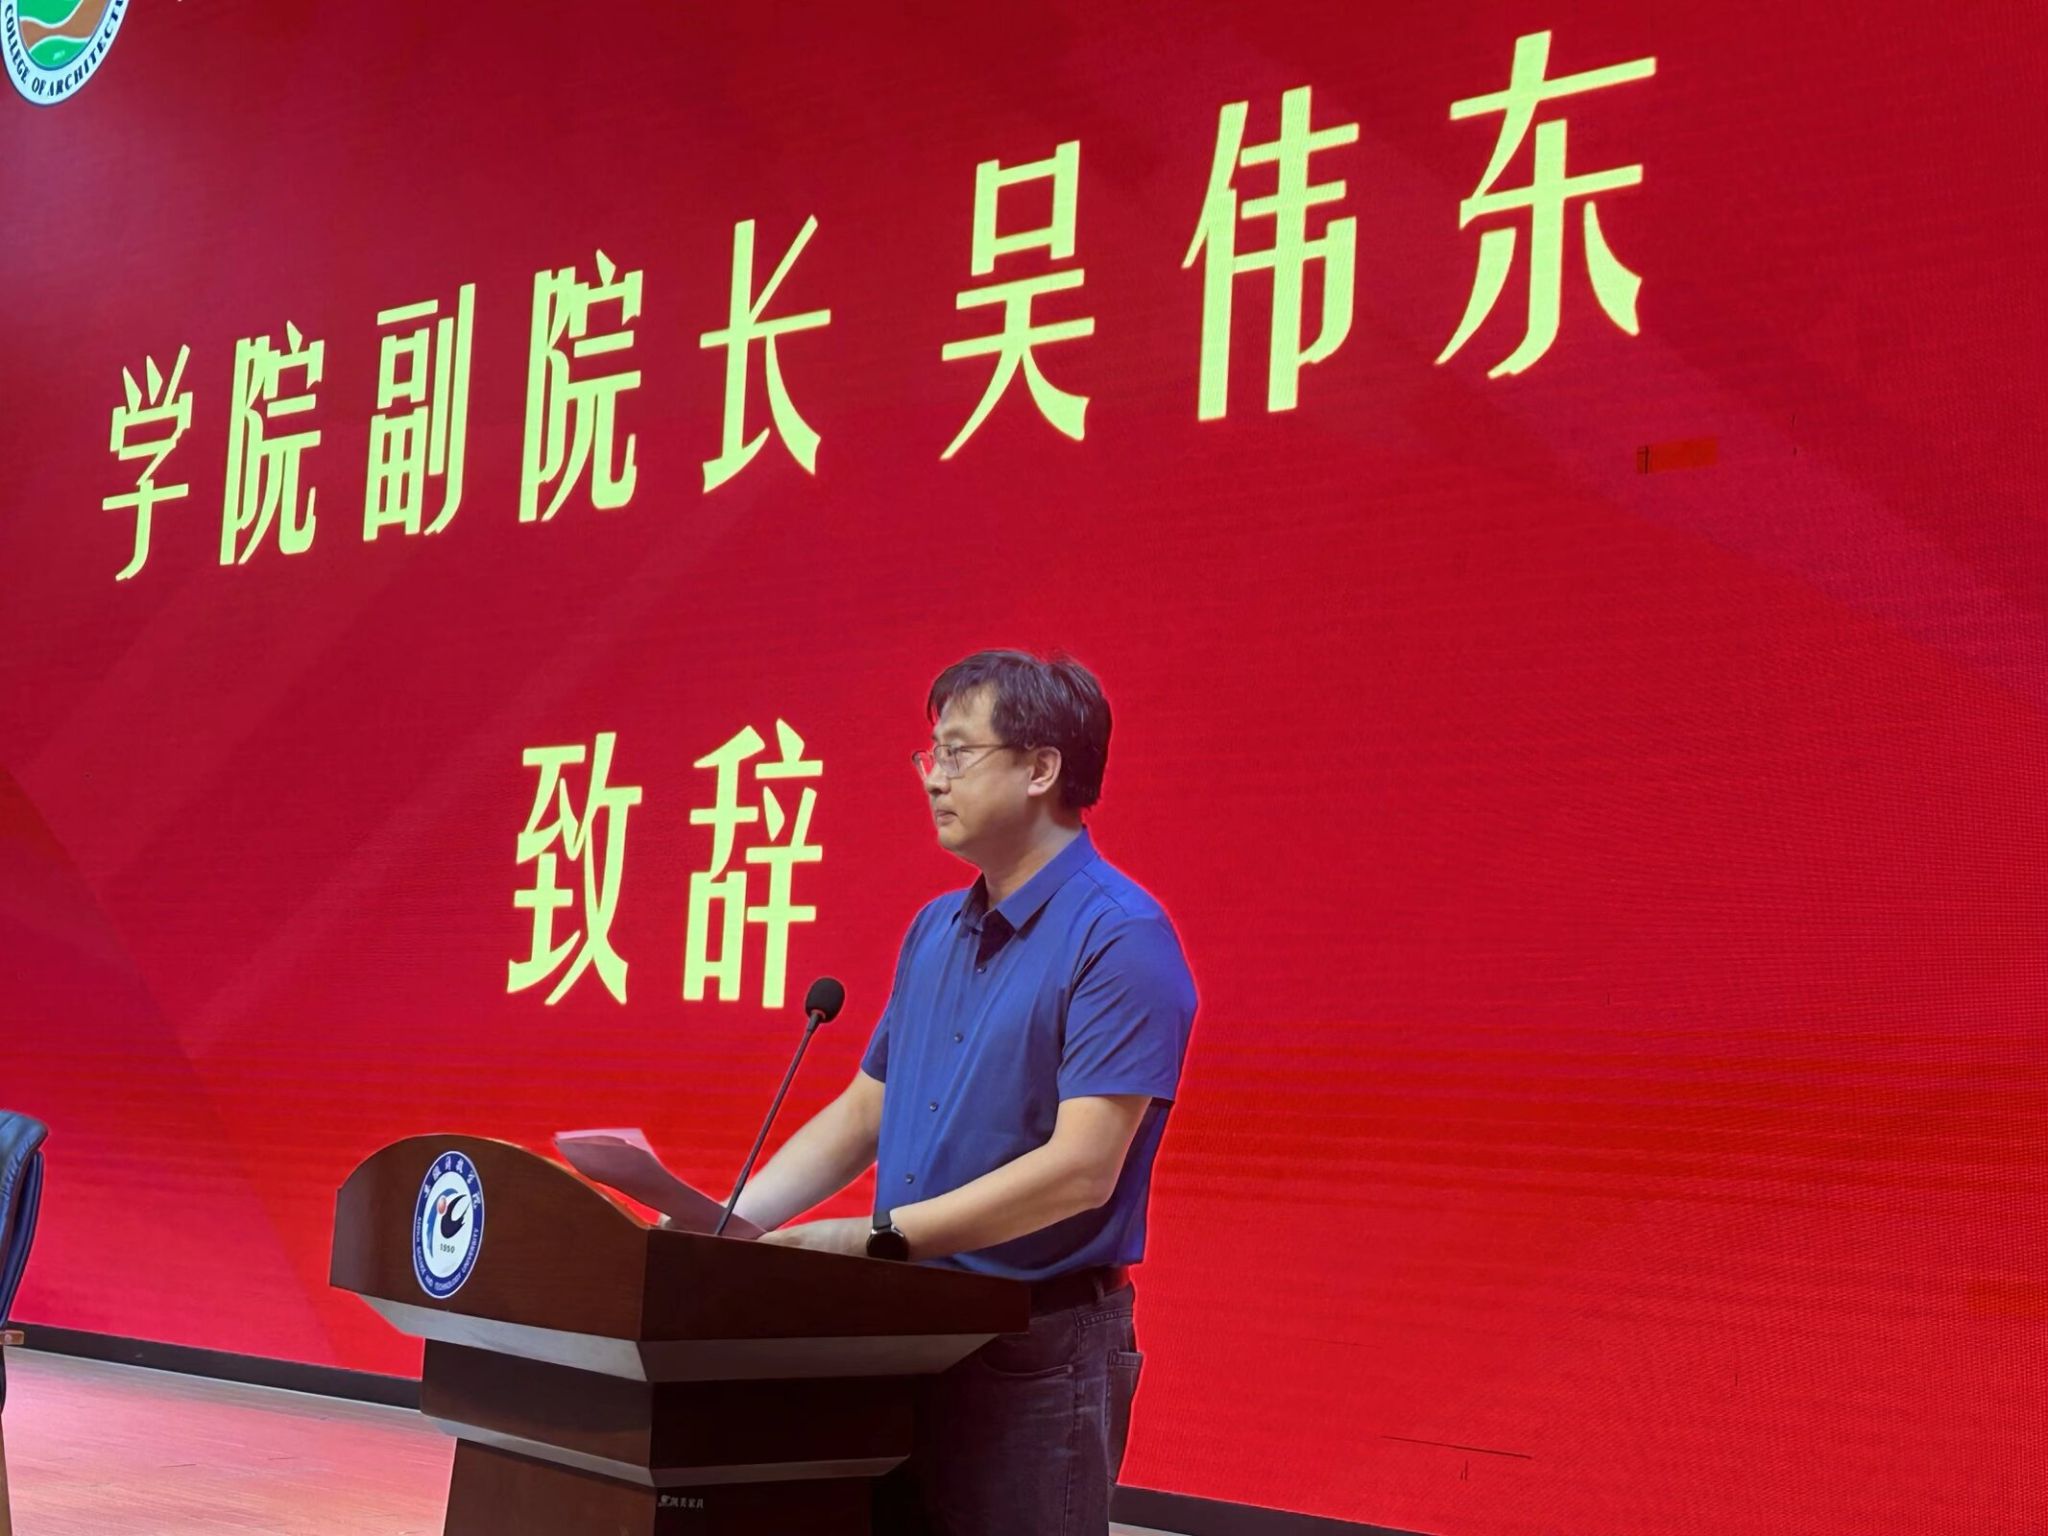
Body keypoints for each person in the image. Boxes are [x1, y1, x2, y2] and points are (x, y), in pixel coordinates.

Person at [738, 648, 1197, 1536]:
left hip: (1032, 1348)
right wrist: (731, 1225)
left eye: (957, 752)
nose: (933, 777)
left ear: (1041, 768)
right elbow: (866, 1110)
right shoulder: (935, 930)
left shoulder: (1121, 938)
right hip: (899, 1332)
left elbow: (1081, 1171)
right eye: (930, 754)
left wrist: (877, 1240)